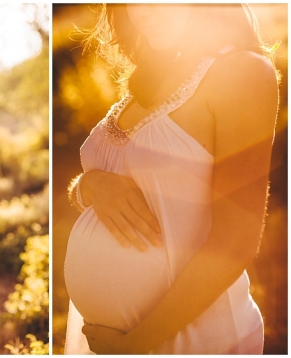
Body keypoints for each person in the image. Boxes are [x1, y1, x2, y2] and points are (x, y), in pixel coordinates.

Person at [64, 4, 279, 354]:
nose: (143, 12)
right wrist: (87, 187)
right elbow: (117, 184)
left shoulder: (242, 72)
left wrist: (136, 346)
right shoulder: (155, 77)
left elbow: (236, 240)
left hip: (195, 342)